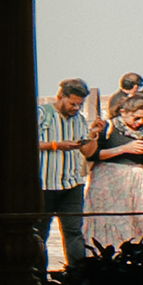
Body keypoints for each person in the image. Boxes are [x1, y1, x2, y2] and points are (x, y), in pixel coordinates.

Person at [85, 77, 143, 249]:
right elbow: (93, 155)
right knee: (113, 221)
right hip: (110, 181)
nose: (140, 122)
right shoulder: (108, 127)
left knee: (138, 220)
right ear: (124, 112)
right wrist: (125, 149)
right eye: (136, 118)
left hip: (136, 180)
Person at [36, 77, 92, 271]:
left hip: (71, 184)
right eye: (72, 104)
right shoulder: (42, 114)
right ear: (61, 97)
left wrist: (93, 135)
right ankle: (38, 276)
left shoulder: (80, 120)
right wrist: (55, 145)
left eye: (79, 105)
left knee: (74, 232)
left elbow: (88, 152)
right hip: (44, 184)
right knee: (39, 234)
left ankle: (78, 275)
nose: (75, 108)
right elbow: (25, 142)